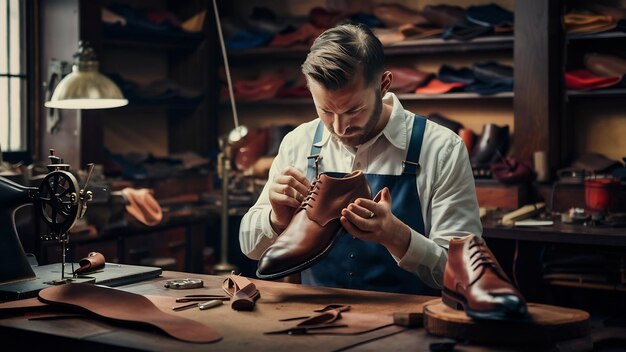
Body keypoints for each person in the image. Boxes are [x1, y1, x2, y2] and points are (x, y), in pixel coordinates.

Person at [239, 23, 482, 294]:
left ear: (384, 84)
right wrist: (276, 219)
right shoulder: (299, 143)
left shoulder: (441, 149)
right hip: (317, 323)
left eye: (354, 110)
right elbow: (250, 248)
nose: (340, 128)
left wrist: (398, 237)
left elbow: (463, 273)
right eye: (326, 111)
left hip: (408, 327)